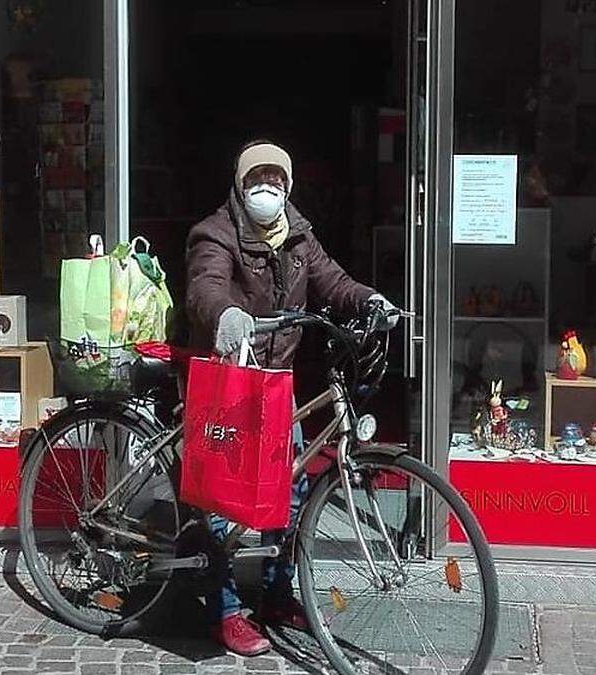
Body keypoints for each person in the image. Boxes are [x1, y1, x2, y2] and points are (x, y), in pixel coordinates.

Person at [185, 140, 398, 656]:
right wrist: (226, 316)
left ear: (288, 186)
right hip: (231, 382)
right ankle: (227, 610)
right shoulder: (216, 233)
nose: (266, 188)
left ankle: (278, 594)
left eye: (275, 180)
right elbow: (205, 285)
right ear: (239, 185)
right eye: (256, 179)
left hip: (277, 382)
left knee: (291, 495)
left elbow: (331, 280)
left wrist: (369, 299)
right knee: (224, 505)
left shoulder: (298, 235)